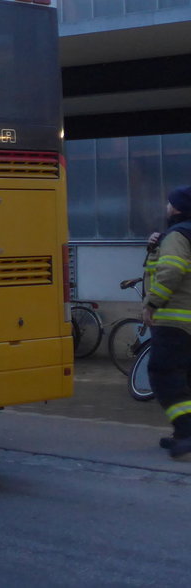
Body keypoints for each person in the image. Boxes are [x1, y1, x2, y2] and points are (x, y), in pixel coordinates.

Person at [143, 185, 191, 460]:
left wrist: (152, 303)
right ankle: (182, 433)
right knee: (186, 377)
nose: (166, 207)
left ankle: (186, 429)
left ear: (178, 208)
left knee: (164, 374)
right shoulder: (176, 235)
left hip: (176, 320)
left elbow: (171, 270)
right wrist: (155, 247)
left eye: (169, 203)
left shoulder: (178, 235)